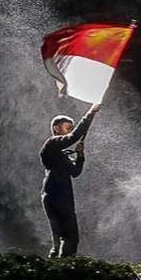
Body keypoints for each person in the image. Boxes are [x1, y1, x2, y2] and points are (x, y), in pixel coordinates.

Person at [39, 102, 99, 258]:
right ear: (56, 128)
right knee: (70, 237)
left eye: (71, 128)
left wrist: (80, 156)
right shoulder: (51, 144)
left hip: (59, 196)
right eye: (67, 128)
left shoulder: (62, 155)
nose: (70, 132)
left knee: (60, 238)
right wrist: (90, 113)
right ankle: (65, 269)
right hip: (55, 195)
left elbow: (75, 172)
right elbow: (74, 137)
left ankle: (56, 268)